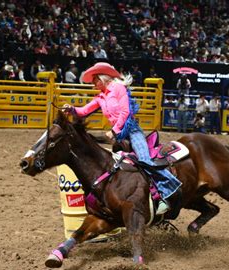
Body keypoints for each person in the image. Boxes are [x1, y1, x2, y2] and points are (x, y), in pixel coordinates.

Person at [64, 62, 181, 215]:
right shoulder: (100, 97)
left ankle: (169, 190)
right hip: (119, 136)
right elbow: (84, 111)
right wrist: (71, 109)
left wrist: (114, 131)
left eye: (95, 80)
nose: (93, 84)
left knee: (145, 160)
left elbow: (125, 112)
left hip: (131, 130)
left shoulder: (118, 88)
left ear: (102, 78)